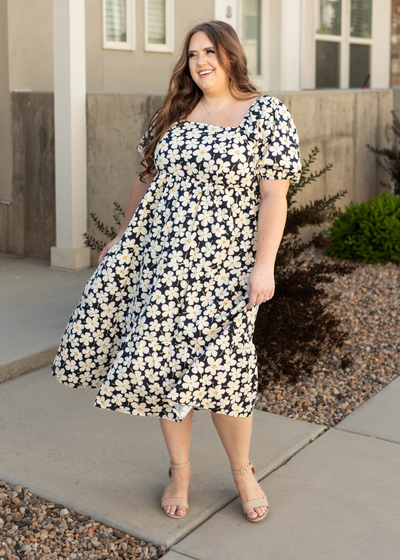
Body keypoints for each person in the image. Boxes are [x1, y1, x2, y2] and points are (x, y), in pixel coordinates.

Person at [51, 20, 302, 523]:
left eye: (210, 51)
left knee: (228, 374)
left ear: (231, 56)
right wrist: (122, 237)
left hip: (225, 271)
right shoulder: (175, 113)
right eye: (192, 55)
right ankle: (180, 470)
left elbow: (275, 194)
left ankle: (243, 471)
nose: (201, 61)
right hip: (160, 266)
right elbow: (145, 181)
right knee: (168, 370)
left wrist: (264, 265)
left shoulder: (265, 113)